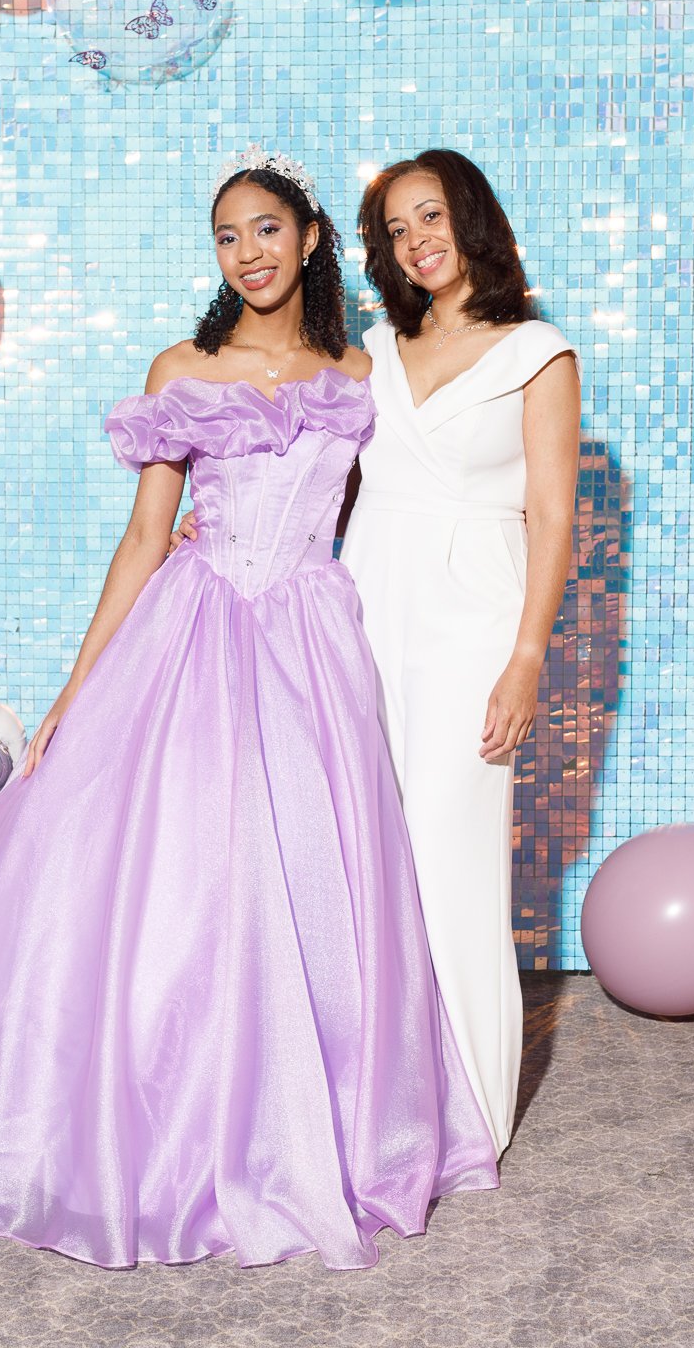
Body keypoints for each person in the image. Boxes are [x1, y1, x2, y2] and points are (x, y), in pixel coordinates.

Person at [0, 148, 497, 1270]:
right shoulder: (183, 370)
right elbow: (147, 537)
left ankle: (308, 1128)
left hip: (310, 643)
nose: (246, 253)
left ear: (308, 240)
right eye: (225, 237)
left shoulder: (361, 371)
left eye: (264, 230)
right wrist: (73, 688)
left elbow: (403, 503)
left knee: (309, 882)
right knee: (187, 879)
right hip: (196, 633)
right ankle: (163, 1125)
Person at [181, 150, 580, 1153]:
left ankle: (471, 1116)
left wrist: (526, 657)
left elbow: (554, 514)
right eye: (397, 229)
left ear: (472, 219)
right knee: (368, 862)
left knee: (450, 860)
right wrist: (221, 520)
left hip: (474, 621)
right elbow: (319, 472)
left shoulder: (538, 352)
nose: (416, 241)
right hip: (361, 615)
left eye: (431, 216)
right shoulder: (377, 356)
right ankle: (379, 1107)